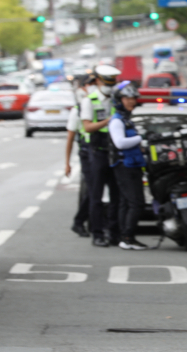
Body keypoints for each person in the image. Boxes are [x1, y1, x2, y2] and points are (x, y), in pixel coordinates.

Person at [81, 65, 121, 247]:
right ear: (98, 81)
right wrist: (108, 121)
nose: (109, 86)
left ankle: (114, 233)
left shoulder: (116, 99)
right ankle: (97, 234)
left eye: (112, 83)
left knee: (116, 196)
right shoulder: (89, 101)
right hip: (97, 152)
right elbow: (87, 127)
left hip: (115, 150)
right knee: (96, 197)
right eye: (106, 82)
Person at [109, 82, 147, 250]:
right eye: (127, 98)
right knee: (136, 203)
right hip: (124, 166)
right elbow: (120, 143)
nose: (131, 101)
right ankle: (128, 237)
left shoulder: (127, 120)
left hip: (133, 165)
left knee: (126, 202)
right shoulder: (117, 121)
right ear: (119, 100)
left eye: (133, 98)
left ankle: (124, 236)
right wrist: (141, 139)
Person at [64, 74, 97, 237]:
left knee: (96, 191)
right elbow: (70, 138)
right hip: (86, 154)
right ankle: (80, 222)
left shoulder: (100, 106)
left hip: (100, 152)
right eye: (89, 85)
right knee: (93, 190)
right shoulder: (77, 110)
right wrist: (67, 163)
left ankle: (88, 223)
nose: (91, 87)